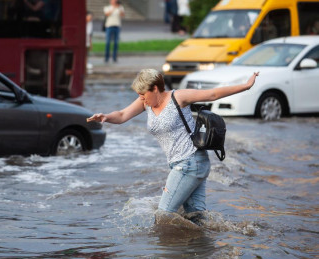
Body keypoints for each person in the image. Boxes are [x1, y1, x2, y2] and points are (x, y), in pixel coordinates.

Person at [87, 69, 259, 226]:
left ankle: (165, 256)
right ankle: (203, 254)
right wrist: (106, 117)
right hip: (187, 164)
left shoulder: (178, 97)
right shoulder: (146, 103)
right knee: (196, 218)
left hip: (189, 163)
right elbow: (123, 115)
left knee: (163, 216)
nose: (141, 98)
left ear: (155, 88)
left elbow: (212, 94)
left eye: (143, 94)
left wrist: (246, 86)